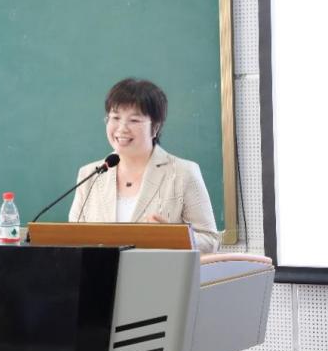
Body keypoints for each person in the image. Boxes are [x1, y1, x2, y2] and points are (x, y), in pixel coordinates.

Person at [68, 78, 221, 254]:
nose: (122, 128)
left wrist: (173, 237)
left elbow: (211, 241)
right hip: (100, 272)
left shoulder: (182, 173)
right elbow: (72, 239)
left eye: (134, 120)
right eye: (115, 118)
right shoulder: (90, 175)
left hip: (159, 271)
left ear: (155, 128)